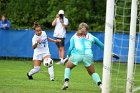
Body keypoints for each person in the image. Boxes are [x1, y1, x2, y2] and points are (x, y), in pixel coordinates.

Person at [61, 22, 119, 90]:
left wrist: (67, 56)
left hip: (77, 55)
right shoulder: (91, 36)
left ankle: (66, 83)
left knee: (68, 67)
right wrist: (110, 53)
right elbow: (102, 45)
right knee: (92, 72)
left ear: (79, 29)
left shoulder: (74, 36)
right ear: (87, 29)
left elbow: (70, 48)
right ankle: (101, 86)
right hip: (88, 55)